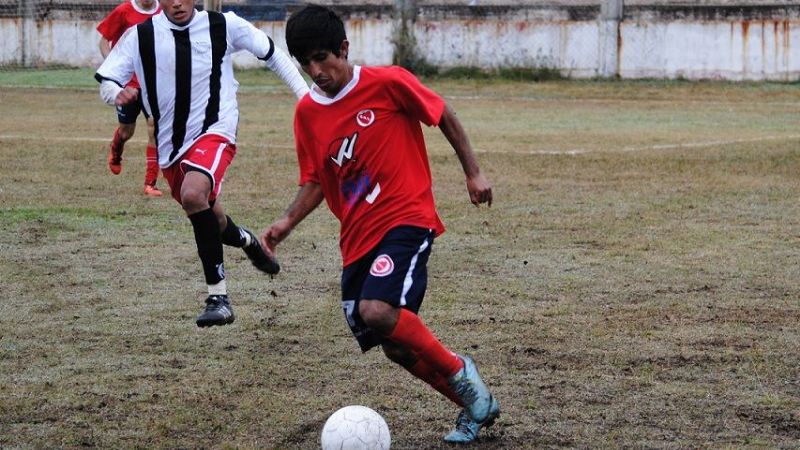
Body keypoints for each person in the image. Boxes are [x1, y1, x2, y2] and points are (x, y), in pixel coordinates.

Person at [260, 4, 499, 444]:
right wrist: (286, 223)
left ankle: (460, 372)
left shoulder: (388, 83)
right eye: (306, 63)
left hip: (407, 219)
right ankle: (473, 405)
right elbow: (316, 179)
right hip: (357, 240)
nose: (316, 71)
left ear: (344, 49)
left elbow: (442, 114)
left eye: (323, 58)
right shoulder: (308, 114)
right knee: (392, 345)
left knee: (378, 310)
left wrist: (473, 172)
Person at [95, 0, 309, 327]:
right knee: (213, 217)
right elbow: (109, 78)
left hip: (216, 128)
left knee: (195, 195)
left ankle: (218, 298)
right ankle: (249, 242)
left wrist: (305, 100)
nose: (177, 2)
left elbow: (271, 53)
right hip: (170, 145)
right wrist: (116, 94)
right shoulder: (141, 35)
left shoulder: (224, 25)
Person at [97, 0, 163, 197]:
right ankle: (116, 150)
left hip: (152, 83)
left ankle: (150, 183)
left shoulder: (162, 11)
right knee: (126, 132)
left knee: (154, 128)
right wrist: (114, 65)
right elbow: (103, 41)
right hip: (127, 84)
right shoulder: (124, 11)